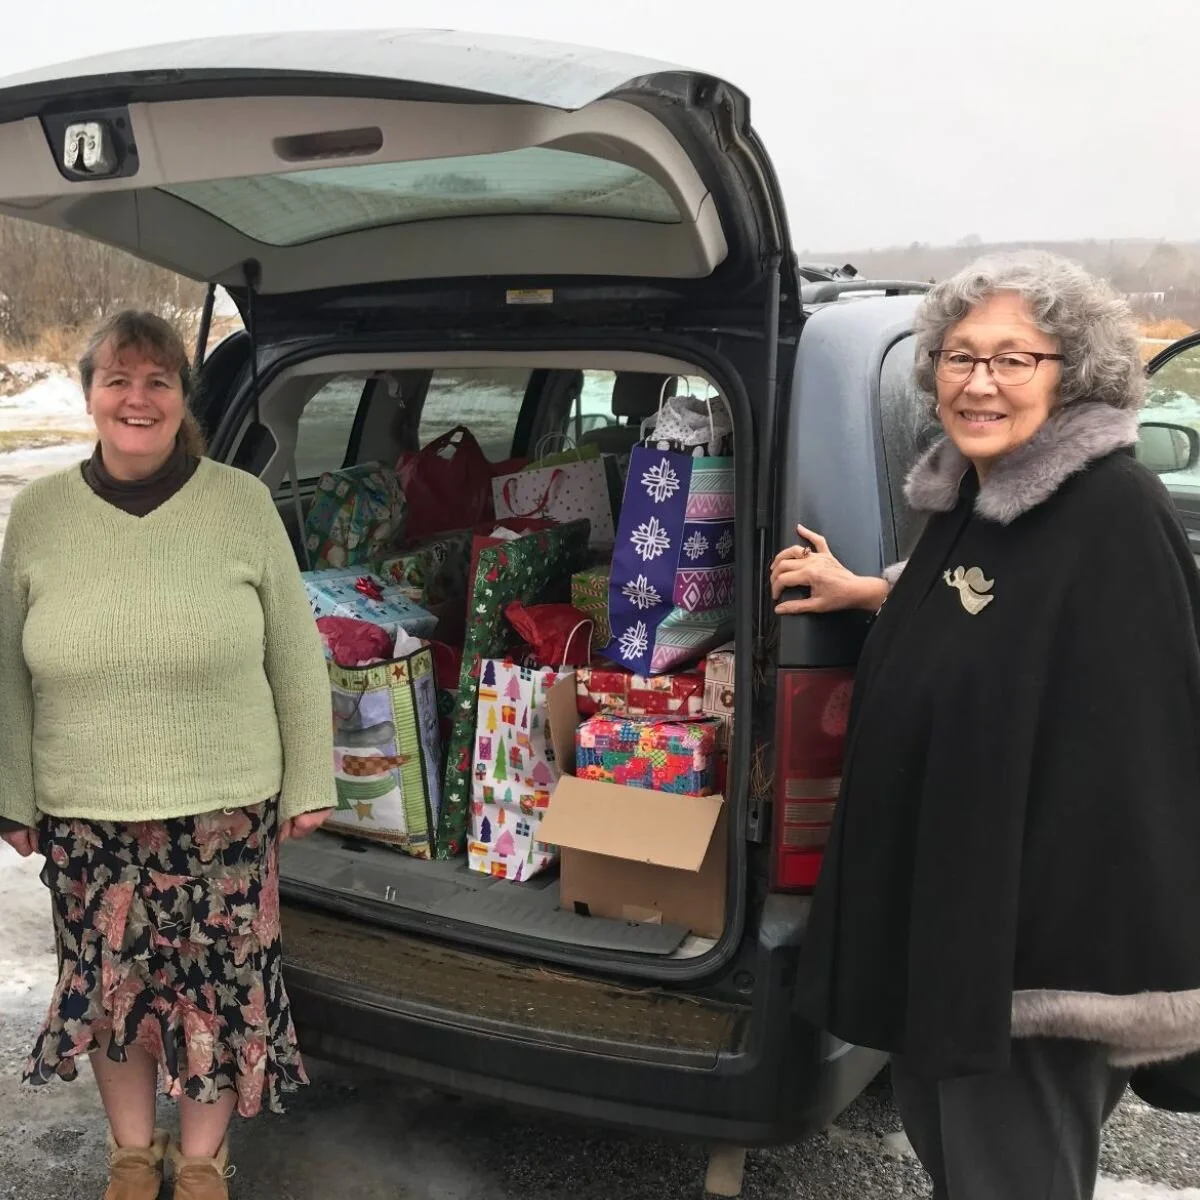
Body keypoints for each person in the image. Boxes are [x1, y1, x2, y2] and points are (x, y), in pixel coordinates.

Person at [771, 252, 1200, 1200]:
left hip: (1032, 949)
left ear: (1074, 370)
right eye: (961, 357)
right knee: (946, 1138)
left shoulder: (1111, 515)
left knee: (1011, 1171)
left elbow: (1138, 760)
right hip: (954, 914)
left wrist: (1022, 947)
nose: (979, 382)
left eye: (1014, 359)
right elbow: (992, 617)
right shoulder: (978, 494)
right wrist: (869, 590)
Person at [0, 311, 336, 1200]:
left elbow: (295, 652)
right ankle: (130, 1158)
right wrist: (12, 793)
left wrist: (310, 778)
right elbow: (4, 663)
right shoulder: (38, 515)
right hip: (85, 810)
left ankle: (199, 1166)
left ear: (183, 397)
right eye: (117, 379)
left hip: (222, 807)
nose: (136, 398)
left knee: (216, 996)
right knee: (112, 996)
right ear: (89, 396)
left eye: (157, 381)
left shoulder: (240, 503)